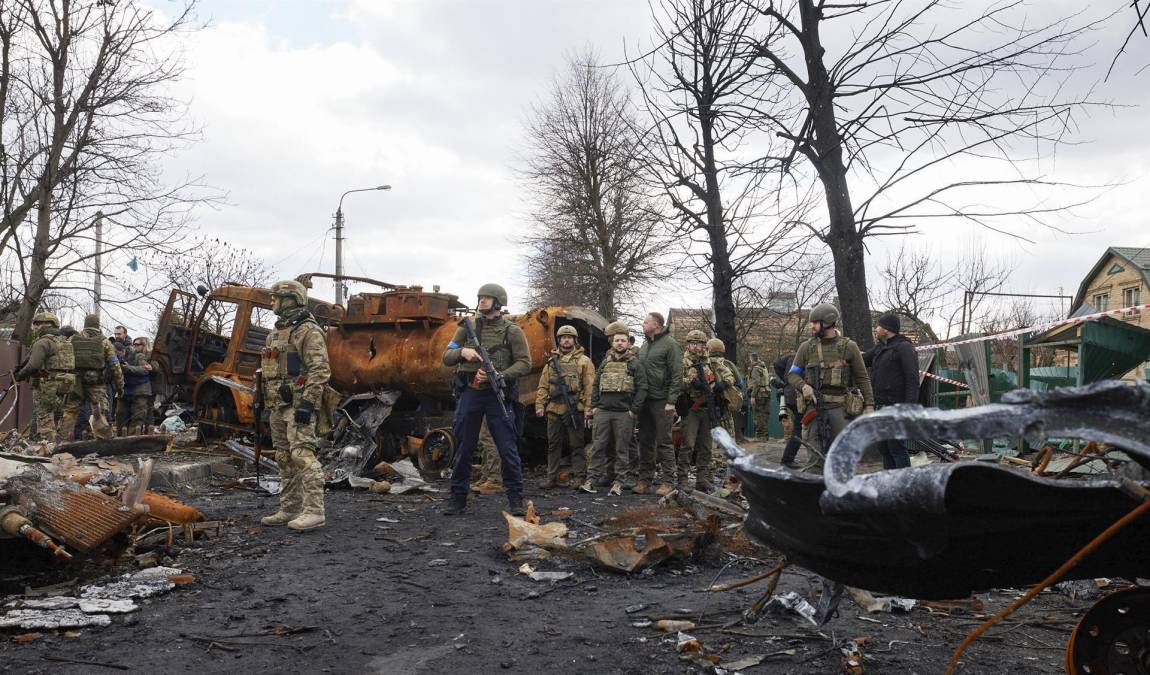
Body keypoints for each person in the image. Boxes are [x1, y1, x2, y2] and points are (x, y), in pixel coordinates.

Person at [441, 283, 531, 516]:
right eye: (481, 297)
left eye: (487, 298)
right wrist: (463, 352)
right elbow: (447, 356)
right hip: (471, 393)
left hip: (496, 395)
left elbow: (525, 363)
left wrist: (501, 375)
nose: (482, 301)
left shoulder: (512, 331)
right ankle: (458, 497)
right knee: (463, 446)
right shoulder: (466, 327)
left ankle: (515, 500)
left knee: (507, 448)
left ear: (498, 302)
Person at [258, 280, 331, 532]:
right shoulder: (275, 333)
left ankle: (314, 511)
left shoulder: (308, 331)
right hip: (277, 404)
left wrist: (308, 403)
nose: (272, 302)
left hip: (299, 404)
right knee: (284, 457)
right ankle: (290, 507)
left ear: (290, 299)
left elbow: (320, 370)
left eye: (276, 298)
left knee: (302, 455)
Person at [786, 304, 874, 462]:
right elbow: (792, 375)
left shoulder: (849, 347)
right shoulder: (806, 347)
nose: (811, 326)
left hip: (840, 410)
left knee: (841, 458)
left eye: (815, 322)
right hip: (813, 408)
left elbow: (862, 378)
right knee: (815, 456)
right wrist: (803, 386)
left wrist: (869, 405)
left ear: (827, 322)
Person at [588, 321, 647, 495]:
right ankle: (591, 479)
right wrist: (595, 407)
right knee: (599, 446)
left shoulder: (635, 364)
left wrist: (633, 410)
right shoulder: (605, 362)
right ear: (612, 343)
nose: (619, 343)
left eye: (623, 340)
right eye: (616, 340)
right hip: (603, 412)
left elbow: (642, 388)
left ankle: (620, 481)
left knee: (622, 448)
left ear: (628, 343)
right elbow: (596, 384)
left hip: (624, 413)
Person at [535, 325, 595, 490]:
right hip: (554, 409)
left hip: (574, 409)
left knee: (577, 445)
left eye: (569, 337)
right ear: (559, 340)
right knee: (553, 445)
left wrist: (588, 408)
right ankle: (551, 477)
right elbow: (543, 385)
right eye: (563, 337)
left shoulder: (584, 361)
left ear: (574, 340)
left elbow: (590, 388)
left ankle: (579, 477)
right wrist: (540, 404)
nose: (566, 340)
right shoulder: (551, 363)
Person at [679, 330, 735, 492]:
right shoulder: (683, 362)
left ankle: (702, 479)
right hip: (691, 408)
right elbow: (675, 382)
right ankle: (682, 479)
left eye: (700, 344)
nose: (696, 347)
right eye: (693, 343)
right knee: (688, 445)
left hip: (707, 408)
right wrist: (692, 382)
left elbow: (730, 376)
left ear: (705, 345)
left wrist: (722, 384)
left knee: (706, 447)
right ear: (688, 344)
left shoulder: (711, 362)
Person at [862, 313, 919, 469]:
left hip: (896, 407)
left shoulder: (904, 347)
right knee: (884, 448)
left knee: (896, 447)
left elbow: (913, 379)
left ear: (886, 329)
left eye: (878, 326)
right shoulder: (881, 347)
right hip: (880, 405)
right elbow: (863, 359)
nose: (875, 329)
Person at [636, 312, 682, 496]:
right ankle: (644, 481)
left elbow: (677, 373)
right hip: (644, 400)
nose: (642, 324)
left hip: (662, 400)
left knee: (664, 441)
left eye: (645, 322)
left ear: (656, 325)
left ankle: (668, 481)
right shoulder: (645, 345)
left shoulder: (670, 344)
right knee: (645, 440)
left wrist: (671, 401)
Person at [14, 312, 75, 442]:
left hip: (48, 382)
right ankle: (60, 439)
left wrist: (19, 375)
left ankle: (50, 442)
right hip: (66, 382)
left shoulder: (43, 342)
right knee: (58, 413)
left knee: (44, 414)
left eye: (37, 323)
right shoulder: (65, 341)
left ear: (47, 324)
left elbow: (33, 366)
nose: (35, 327)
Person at [61, 313, 123, 440]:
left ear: (85, 325)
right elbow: (115, 366)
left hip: (76, 381)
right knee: (100, 411)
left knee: (70, 412)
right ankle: (103, 440)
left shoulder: (73, 339)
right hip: (96, 383)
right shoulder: (104, 341)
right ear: (97, 325)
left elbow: (63, 360)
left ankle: (63, 441)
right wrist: (120, 386)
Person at [118, 337, 158, 435]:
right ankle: (121, 436)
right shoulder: (129, 355)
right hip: (126, 388)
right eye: (134, 344)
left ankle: (132, 438)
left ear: (144, 345)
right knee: (121, 414)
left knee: (138, 416)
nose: (135, 346)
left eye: (138, 344)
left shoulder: (149, 356)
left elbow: (147, 370)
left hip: (141, 389)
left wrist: (127, 368)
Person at [707, 338, 743, 441]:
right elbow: (740, 383)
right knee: (728, 430)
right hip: (725, 401)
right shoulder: (727, 363)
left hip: (710, 402)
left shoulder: (706, 362)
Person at [772, 353, 804, 468]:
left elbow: (777, 365)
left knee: (798, 426)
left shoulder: (791, 358)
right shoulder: (796, 358)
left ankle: (788, 458)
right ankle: (787, 459)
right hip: (796, 394)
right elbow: (790, 376)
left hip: (790, 394)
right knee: (798, 427)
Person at [470, 420, 503, 495]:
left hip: (493, 409)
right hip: (486, 409)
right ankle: (487, 476)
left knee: (486, 437)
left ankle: (494, 480)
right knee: (483, 441)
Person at [747, 353, 770, 437]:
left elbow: (756, 383)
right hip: (766, 393)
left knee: (758, 415)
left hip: (759, 394)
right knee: (764, 415)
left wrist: (753, 396)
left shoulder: (756, 369)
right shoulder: (764, 367)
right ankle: (765, 435)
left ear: (752, 359)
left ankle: (760, 436)